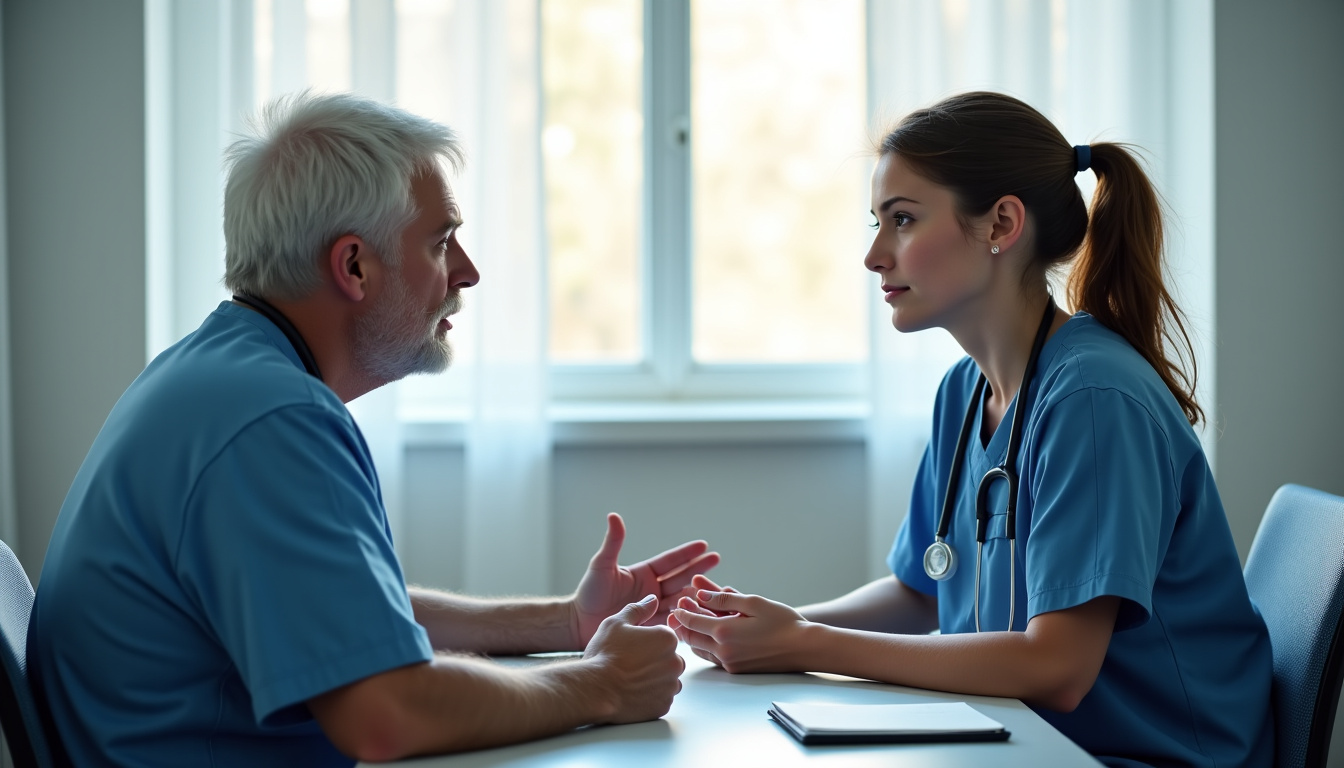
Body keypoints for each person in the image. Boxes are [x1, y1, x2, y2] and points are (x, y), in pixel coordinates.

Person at [29, 91, 719, 767]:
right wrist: (602, 684)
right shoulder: (273, 421)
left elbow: (343, 613)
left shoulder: (218, 376)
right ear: (353, 265)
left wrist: (567, 625)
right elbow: (384, 713)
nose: (468, 272)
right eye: (442, 241)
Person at [669, 91, 1273, 768]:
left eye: (902, 220)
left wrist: (804, 644)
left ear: (1000, 224)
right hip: (1022, 741)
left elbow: (1058, 668)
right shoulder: (964, 393)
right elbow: (918, 590)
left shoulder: (1094, 400)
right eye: (876, 222)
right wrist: (764, 625)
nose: (873, 255)